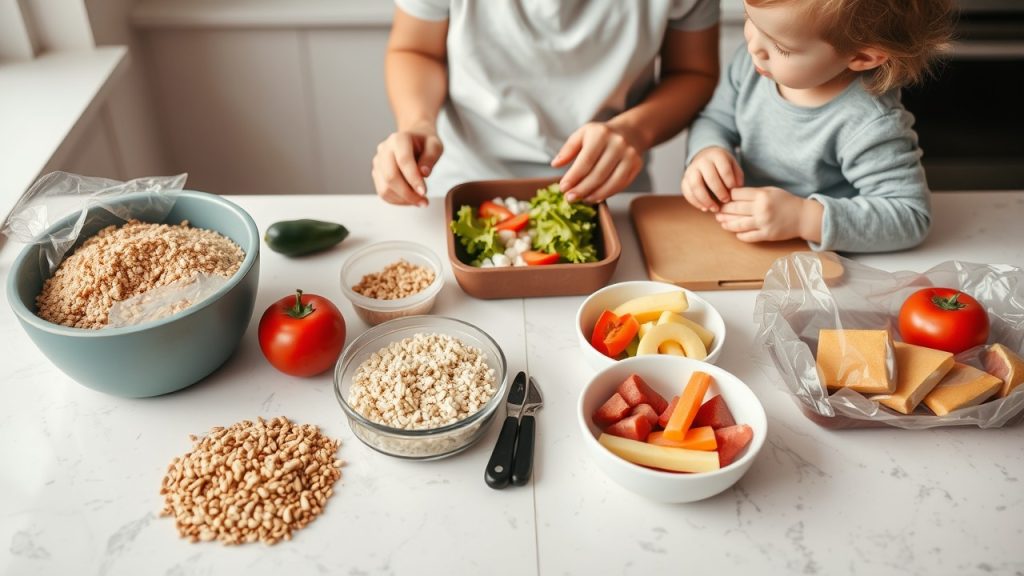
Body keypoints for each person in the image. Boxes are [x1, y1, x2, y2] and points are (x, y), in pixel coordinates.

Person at [371, 1, 721, 207]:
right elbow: (415, 50)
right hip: (460, 183)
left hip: (608, 189)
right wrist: (417, 123)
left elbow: (692, 71)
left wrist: (635, 131)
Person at [681, 0, 955, 253]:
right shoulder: (751, 64)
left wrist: (803, 218)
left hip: (827, 263)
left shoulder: (869, 123)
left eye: (782, 47)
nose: (753, 46)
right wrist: (708, 150)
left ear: (862, 57)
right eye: (750, 19)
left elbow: (911, 216)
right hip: (742, 241)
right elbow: (715, 119)